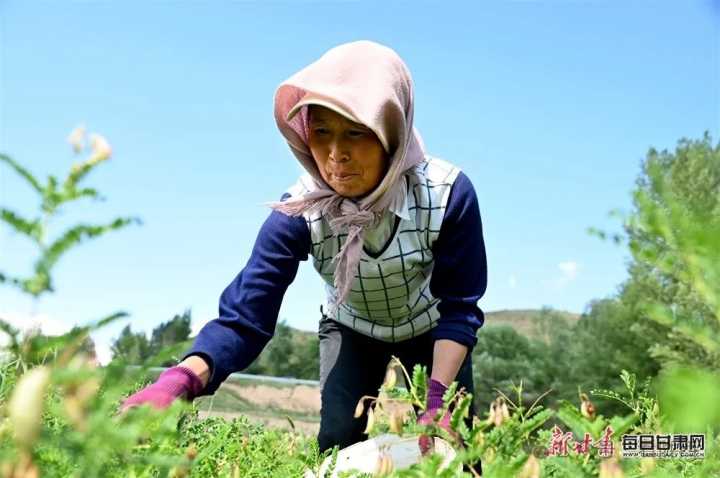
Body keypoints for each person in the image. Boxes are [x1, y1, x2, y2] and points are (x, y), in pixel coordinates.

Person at [121, 40, 488, 457]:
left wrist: (437, 400)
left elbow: (460, 307)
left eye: (355, 132)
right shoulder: (298, 212)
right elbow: (246, 318)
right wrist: (181, 381)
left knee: (456, 447)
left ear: (391, 131)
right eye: (321, 133)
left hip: (432, 330)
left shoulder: (446, 194)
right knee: (338, 441)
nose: (335, 156)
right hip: (352, 327)